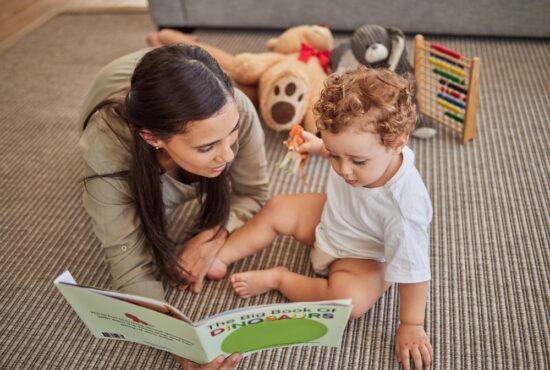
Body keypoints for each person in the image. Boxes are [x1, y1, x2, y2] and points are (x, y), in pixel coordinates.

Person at [208, 67, 433, 370]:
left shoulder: (405, 209)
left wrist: (411, 324)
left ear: (397, 144)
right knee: (277, 208)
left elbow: (414, 272)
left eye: (357, 161)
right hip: (333, 216)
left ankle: (280, 278)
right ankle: (221, 255)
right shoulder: (358, 150)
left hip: (362, 255)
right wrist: (318, 148)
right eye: (334, 154)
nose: (344, 170)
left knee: (347, 303)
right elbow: (344, 151)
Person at [79, 44, 269, 369]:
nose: (228, 155)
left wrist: (215, 234)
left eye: (232, 134)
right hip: (117, 76)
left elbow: (253, 193)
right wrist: (186, 349)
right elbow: (131, 269)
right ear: (153, 139)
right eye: (207, 146)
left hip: (172, 66)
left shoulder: (235, 106)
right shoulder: (105, 149)